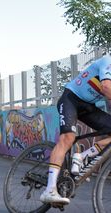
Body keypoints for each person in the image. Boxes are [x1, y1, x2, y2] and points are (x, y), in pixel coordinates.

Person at [40, 55, 111, 204]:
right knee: (68, 138)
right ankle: (49, 190)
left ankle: (83, 155)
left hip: (88, 107)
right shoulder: (108, 61)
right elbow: (106, 87)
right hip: (70, 99)